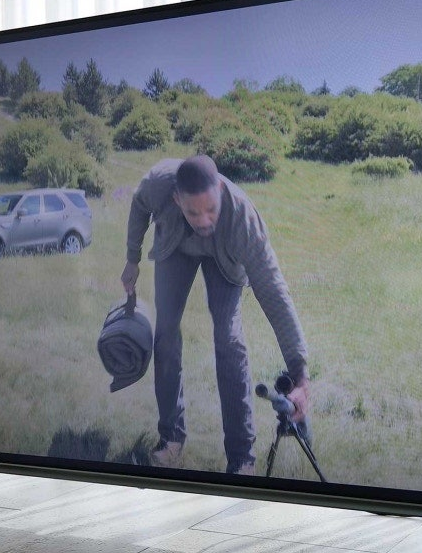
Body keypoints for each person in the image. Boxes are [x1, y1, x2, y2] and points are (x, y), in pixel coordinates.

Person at [121, 155, 310, 474]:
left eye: (211, 209)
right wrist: (132, 259)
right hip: (176, 247)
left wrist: (300, 373)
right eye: (193, 212)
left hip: (225, 261)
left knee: (229, 340)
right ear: (176, 199)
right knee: (165, 334)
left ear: (220, 190)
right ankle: (171, 438)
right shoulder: (158, 184)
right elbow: (140, 204)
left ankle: (242, 457)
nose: (204, 220)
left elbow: (274, 292)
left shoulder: (242, 218)